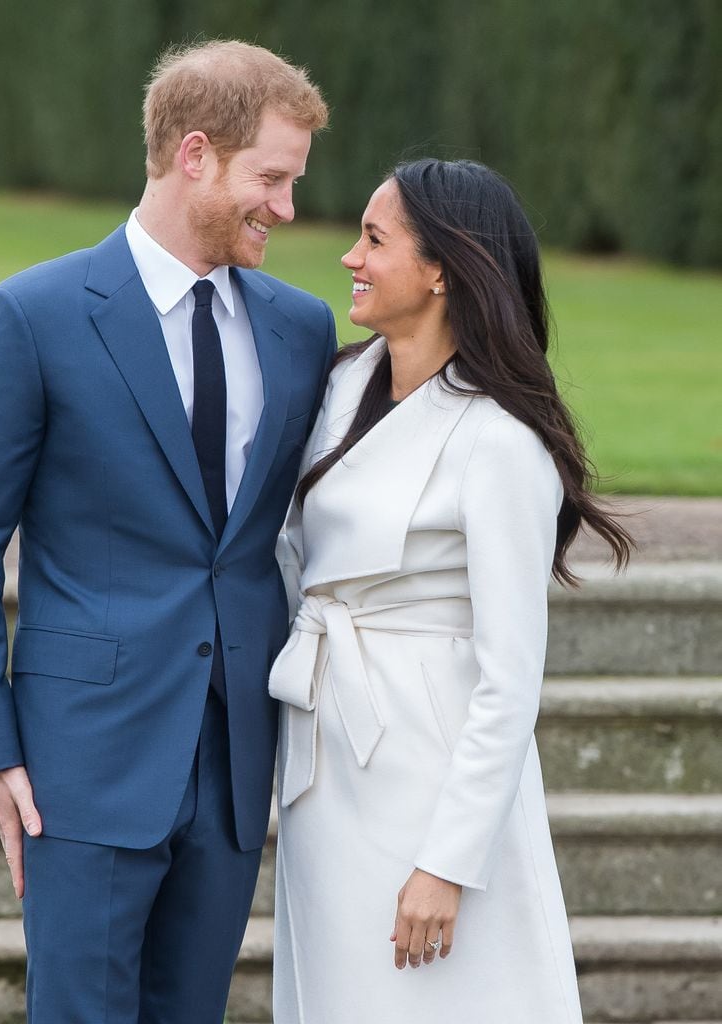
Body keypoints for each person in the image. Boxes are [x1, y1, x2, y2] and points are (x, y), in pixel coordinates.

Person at [0, 39, 335, 1024]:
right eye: (269, 180)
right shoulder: (31, 316)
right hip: (81, 762)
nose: (284, 208)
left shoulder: (300, 327)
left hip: (235, 761)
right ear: (195, 155)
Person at [269, 157, 632, 1022]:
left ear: (441, 270)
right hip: (326, 756)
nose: (350, 258)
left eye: (374, 239)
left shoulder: (503, 443)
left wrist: (448, 863)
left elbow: (511, 681)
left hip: (431, 776)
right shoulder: (339, 384)